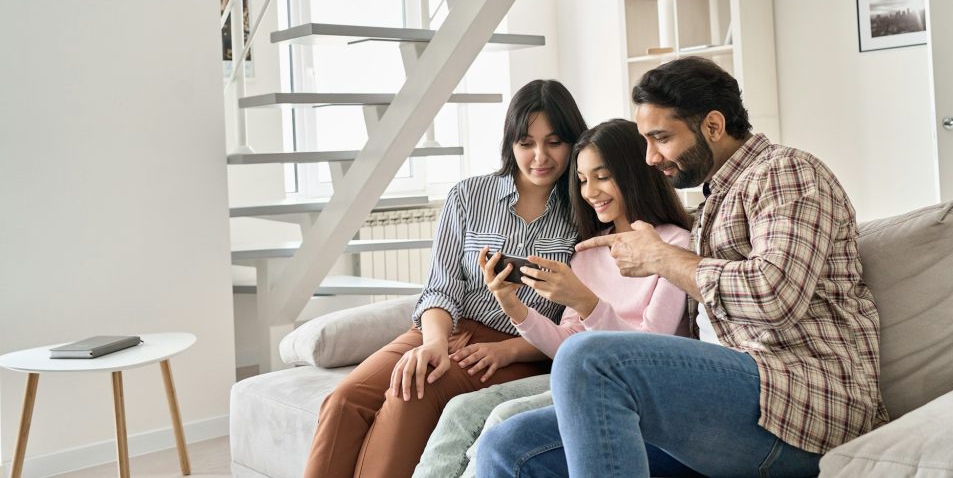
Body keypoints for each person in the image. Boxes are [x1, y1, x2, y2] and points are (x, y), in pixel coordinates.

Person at [476, 57, 889, 477]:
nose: (651, 158)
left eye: (661, 138)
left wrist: (659, 257)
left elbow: (773, 295)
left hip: (802, 402)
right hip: (725, 403)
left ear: (712, 126)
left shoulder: (786, 173)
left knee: (589, 357)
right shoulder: (714, 202)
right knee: (506, 444)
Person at [303, 79, 587, 478]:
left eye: (554, 142)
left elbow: (577, 324)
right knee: (343, 400)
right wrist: (434, 342)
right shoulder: (468, 196)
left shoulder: (586, 211)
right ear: (511, 144)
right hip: (444, 329)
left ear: (573, 143)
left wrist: (509, 350)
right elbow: (440, 287)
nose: (540, 156)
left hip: (519, 348)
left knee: (412, 393)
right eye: (526, 143)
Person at [413, 119, 693, 478]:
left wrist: (587, 303)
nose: (590, 191)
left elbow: (649, 352)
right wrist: (512, 304)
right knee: (461, 411)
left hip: (638, 389)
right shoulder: (587, 254)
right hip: (579, 375)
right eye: (582, 179)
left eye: (602, 176)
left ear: (634, 173)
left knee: (502, 418)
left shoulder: (673, 246)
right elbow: (566, 345)